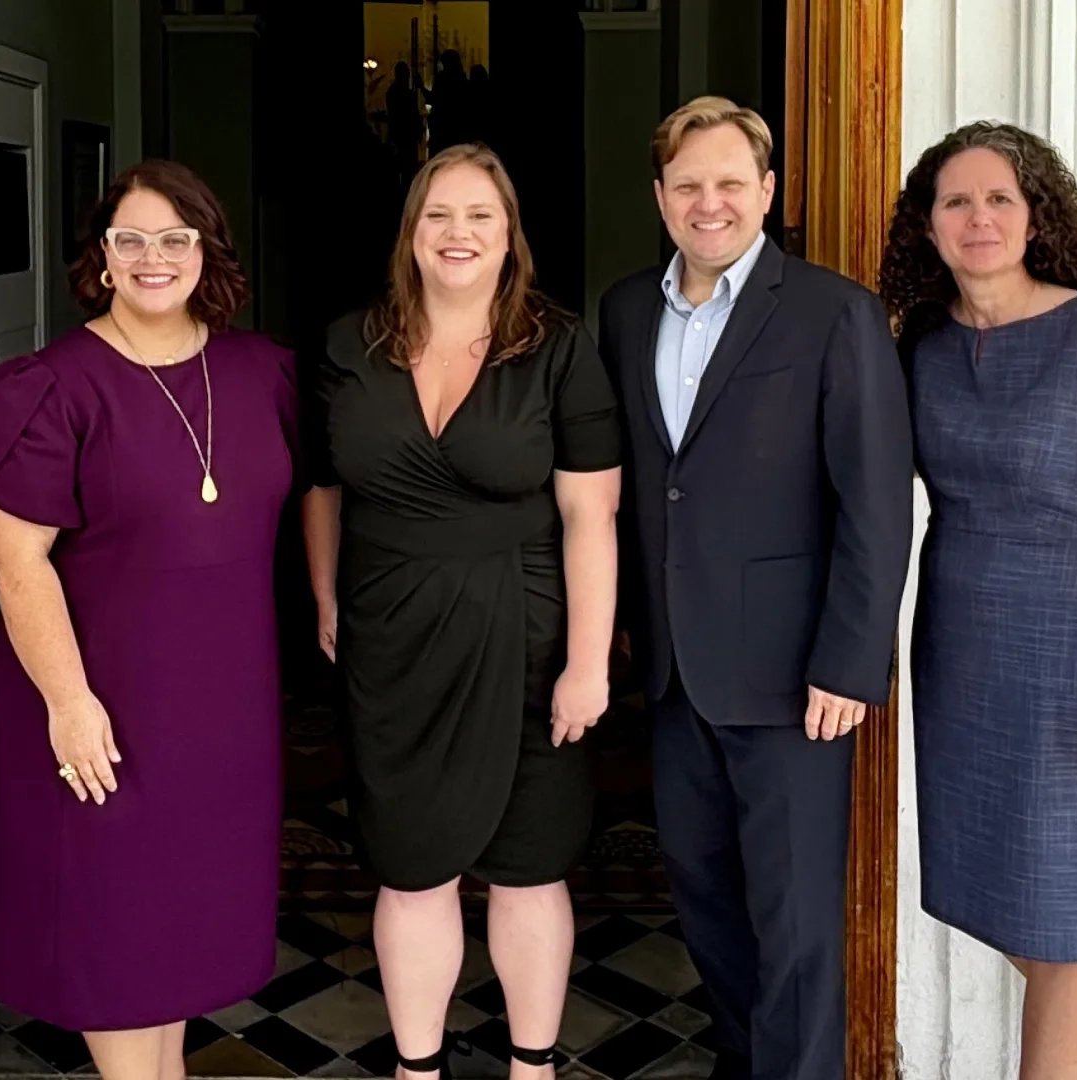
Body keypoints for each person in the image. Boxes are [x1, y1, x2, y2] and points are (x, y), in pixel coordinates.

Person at [596, 96, 913, 1080]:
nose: (710, 202)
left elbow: (876, 503)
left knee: (799, 928)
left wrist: (850, 664)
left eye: (732, 182)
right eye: (688, 184)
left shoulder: (834, 313)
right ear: (658, 197)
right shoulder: (624, 311)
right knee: (702, 901)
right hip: (674, 672)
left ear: (768, 191)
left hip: (794, 681)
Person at [879, 122, 1077, 1080]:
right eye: (955, 202)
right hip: (961, 649)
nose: (979, 218)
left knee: (1062, 912)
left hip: (1072, 652)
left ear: (1036, 215)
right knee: (1007, 896)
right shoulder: (922, 349)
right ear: (926, 228)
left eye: (999, 199)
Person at [303, 143, 623, 1080]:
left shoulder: (560, 349)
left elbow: (590, 514)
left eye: (481, 215)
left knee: (529, 866)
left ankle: (532, 1068)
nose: (458, 234)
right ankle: (416, 1068)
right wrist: (325, 595)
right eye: (439, 214)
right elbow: (322, 484)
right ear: (411, 233)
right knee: (411, 868)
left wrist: (590, 661)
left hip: (526, 632)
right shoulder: (344, 344)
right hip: (388, 633)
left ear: (509, 234)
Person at [0, 160, 293, 1080]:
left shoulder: (260, 371)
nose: (155, 258)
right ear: (103, 260)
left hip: (222, 709)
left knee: (174, 938)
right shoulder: (52, 386)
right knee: (115, 938)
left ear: (206, 253)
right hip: (100, 700)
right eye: (131, 240)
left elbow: (317, 494)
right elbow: (14, 556)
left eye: (176, 238)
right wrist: (69, 703)